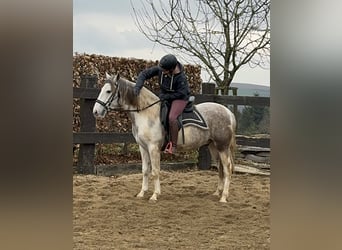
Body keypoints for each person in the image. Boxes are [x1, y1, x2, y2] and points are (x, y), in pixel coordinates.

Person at [133, 54, 190, 154]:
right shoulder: (161, 69)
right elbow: (144, 74)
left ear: (171, 69)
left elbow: (182, 93)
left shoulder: (181, 77)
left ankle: (173, 146)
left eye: (164, 70)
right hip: (165, 97)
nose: (162, 72)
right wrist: (138, 86)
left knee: (172, 118)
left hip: (180, 99)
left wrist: (166, 97)